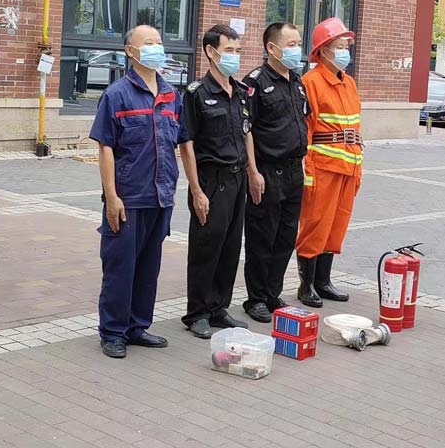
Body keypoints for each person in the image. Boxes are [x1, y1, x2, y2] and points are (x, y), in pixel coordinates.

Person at [89, 25, 190, 359]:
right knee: (120, 269)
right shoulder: (116, 95)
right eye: (148, 43)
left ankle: (137, 327)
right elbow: (105, 148)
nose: (156, 48)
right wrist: (111, 197)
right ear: (130, 51)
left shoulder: (171, 94)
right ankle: (113, 332)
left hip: (160, 196)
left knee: (148, 268)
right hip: (128, 197)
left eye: (159, 42)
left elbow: (178, 142)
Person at [180, 24, 251, 339]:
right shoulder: (197, 93)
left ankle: (218, 307)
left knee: (230, 247)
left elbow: (247, 133)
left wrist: (253, 172)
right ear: (211, 52)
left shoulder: (240, 91)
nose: (235, 56)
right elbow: (187, 145)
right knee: (206, 248)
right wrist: (196, 190)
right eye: (229, 50)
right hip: (211, 181)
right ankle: (197, 313)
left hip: (237, 180)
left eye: (238, 51)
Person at [241, 22, 309, 323]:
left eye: (299, 43)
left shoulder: (297, 81)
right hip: (267, 171)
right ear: (272, 47)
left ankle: (272, 293)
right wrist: (252, 172)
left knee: (285, 237)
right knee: (262, 237)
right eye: (291, 44)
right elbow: (246, 130)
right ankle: (256, 298)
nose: (297, 50)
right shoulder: (255, 82)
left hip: (294, 172)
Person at [295, 18, 362, 308]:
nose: (346, 52)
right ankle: (306, 285)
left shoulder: (349, 83)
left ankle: (323, 281)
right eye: (340, 46)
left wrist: (358, 167)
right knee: (316, 225)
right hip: (323, 168)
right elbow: (306, 132)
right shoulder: (311, 82)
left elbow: (355, 128)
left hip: (348, 167)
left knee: (336, 225)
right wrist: (308, 171)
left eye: (347, 46)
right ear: (323, 51)